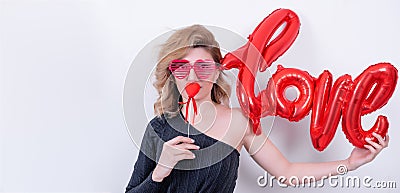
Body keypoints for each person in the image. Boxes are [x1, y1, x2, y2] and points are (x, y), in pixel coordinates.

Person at [125, 25, 389, 193]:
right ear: (173, 73)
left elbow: (287, 173)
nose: (193, 76)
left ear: (217, 73)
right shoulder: (157, 129)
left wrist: (350, 164)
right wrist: (161, 170)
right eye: (182, 67)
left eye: (204, 67)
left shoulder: (239, 122)